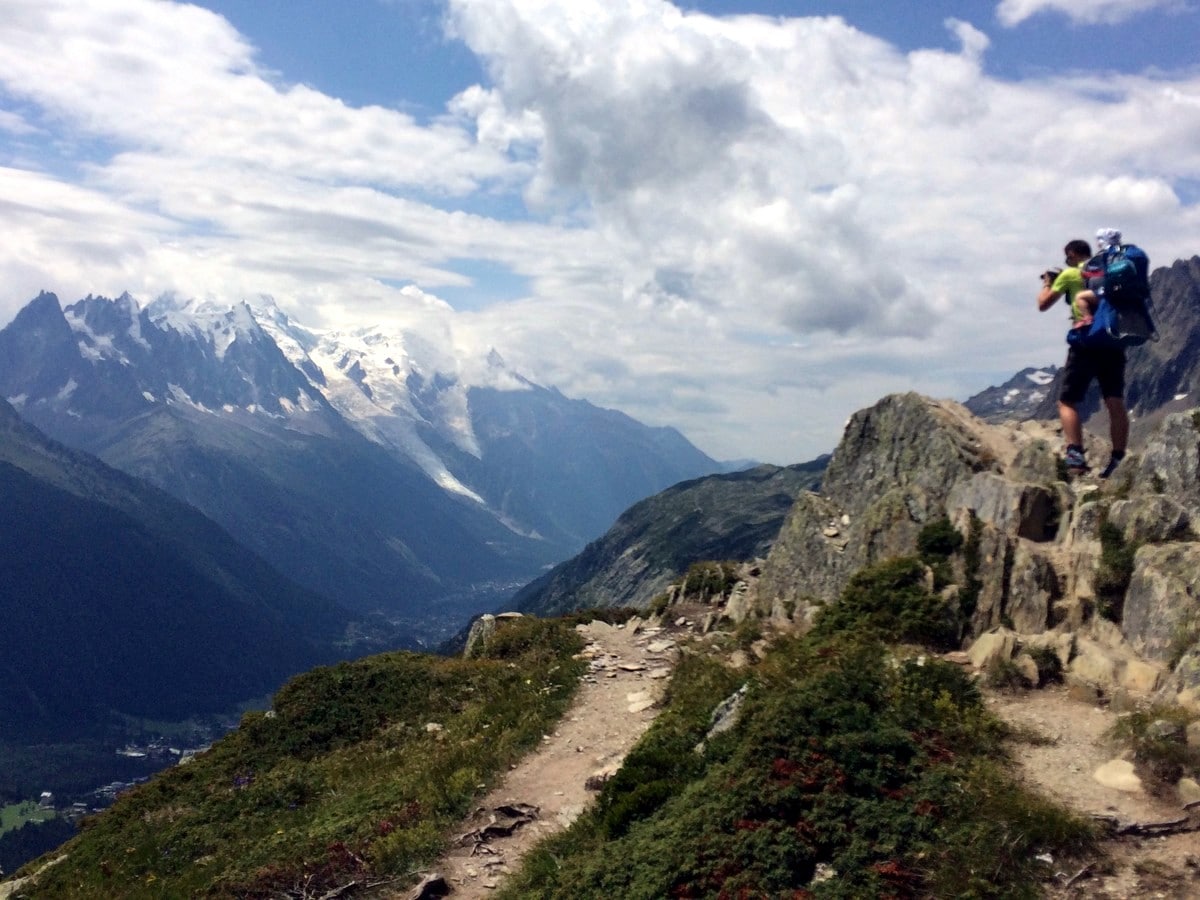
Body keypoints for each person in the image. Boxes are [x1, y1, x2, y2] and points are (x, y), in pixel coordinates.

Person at [1036, 230, 1128, 478]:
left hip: (1085, 343)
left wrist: (1047, 282)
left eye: (1067, 258)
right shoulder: (1110, 271)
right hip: (1113, 342)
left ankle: (1076, 456)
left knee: (1067, 401)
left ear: (1072, 254)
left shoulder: (1070, 274)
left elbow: (1043, 304)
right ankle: (1119, 458)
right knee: (1114, 402)